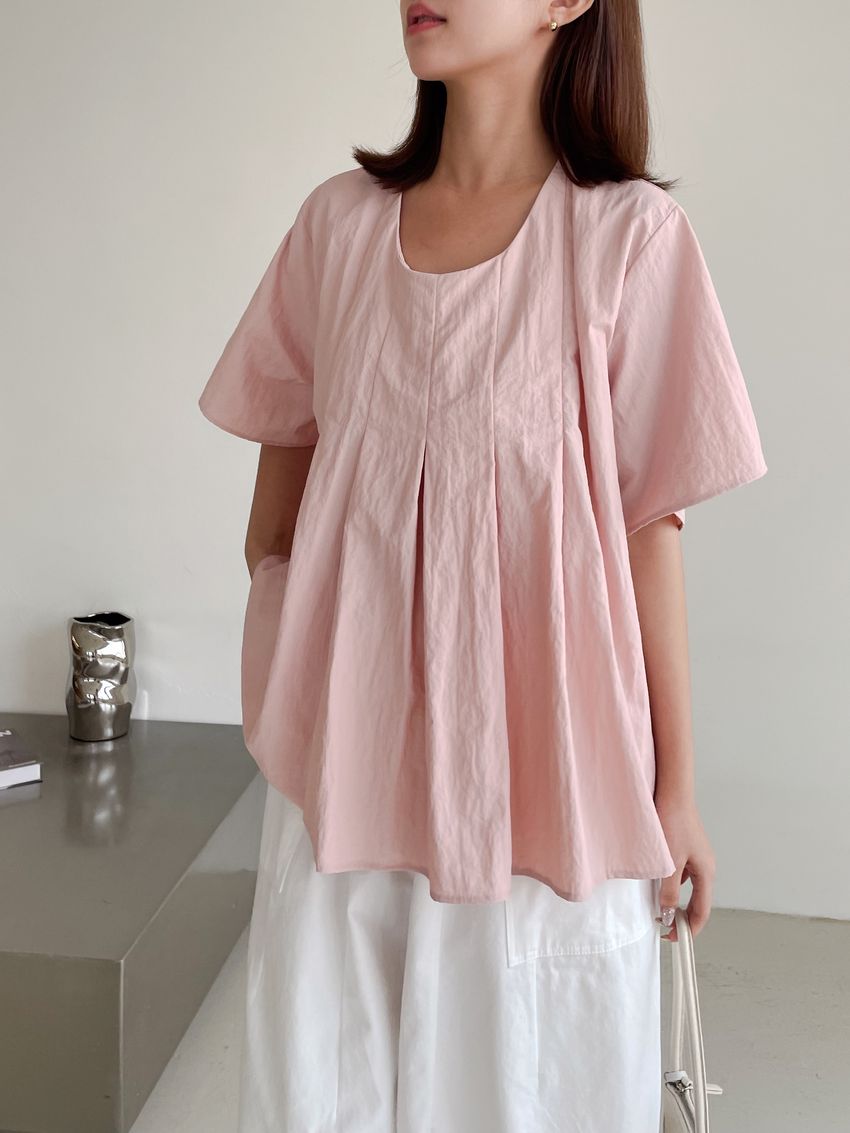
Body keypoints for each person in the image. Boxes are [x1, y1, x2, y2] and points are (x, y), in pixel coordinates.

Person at [198, 1, 768, 1129]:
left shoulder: (627, 239)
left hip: (546, 784)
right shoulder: (339, 228)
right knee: (326, 1095)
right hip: (345, 788)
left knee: (529, 1091)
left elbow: (646, 529)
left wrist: (676, 788)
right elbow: (275, 522)